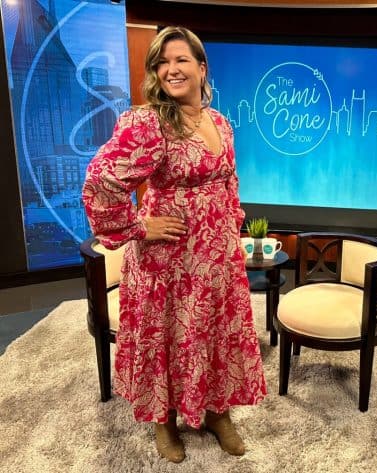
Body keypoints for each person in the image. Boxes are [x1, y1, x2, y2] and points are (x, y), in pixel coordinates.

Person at [82, 26, 267, 462]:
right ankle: (163, 421)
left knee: (216, 331)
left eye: (181, 59)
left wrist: (232, 224)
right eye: (162, 63)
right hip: (169, 259)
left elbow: (229, 179)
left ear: (202, 68)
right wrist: (137, 227)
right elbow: (101, 180)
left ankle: (217, 412)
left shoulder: (220, 122)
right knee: (167, 335)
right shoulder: (148, 123)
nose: (171, 69)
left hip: (217, 256)